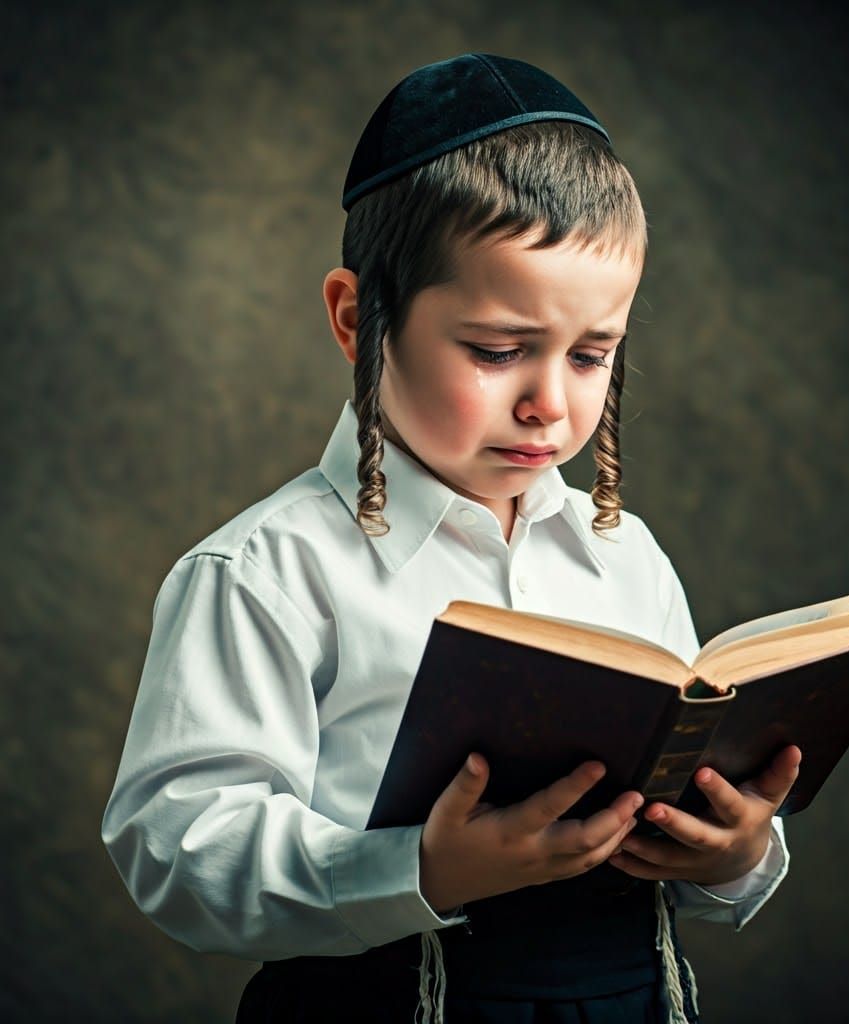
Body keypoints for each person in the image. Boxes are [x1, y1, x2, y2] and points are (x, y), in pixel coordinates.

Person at [101, 53, 802, 1023]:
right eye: (497, 350)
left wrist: (733, 852)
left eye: (593, 354)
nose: (549, 403)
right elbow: (176, 848)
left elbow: (684, 823)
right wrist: (418, 866)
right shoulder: (267, 571)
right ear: (359, 318)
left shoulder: (624, 553)